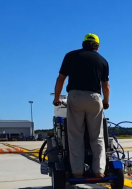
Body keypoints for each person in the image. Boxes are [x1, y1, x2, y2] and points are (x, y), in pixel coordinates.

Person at [53, 33, 109, 178]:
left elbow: (61, 79)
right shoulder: (102, 61)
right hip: (95, 98)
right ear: (97, 46)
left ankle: (77, 171)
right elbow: (106, 86)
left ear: (83, 43)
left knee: (75, 135)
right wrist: (106, 102)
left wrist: (57, 98)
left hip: (75, 96)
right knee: (97, 136)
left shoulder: (70, 56)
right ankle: (99, 170)